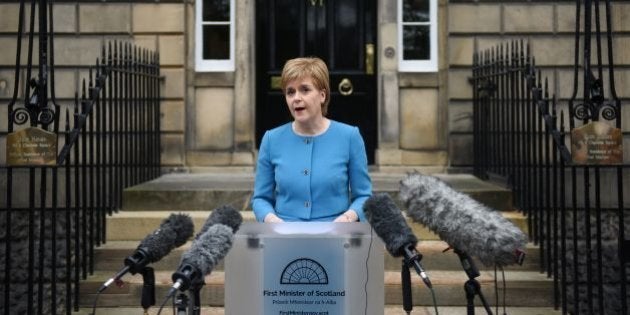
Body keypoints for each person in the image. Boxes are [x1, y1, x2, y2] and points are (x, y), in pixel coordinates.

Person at [251, 57, 372, 223]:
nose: (296, 98)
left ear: (322, 95)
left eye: (305, 90)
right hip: (284, 236)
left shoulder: (349, 137)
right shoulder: (272, 139)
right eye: (290, 92)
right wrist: (272, 221)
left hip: (335, 236)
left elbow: (364, 196)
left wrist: (348, 218)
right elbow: (260, 199)